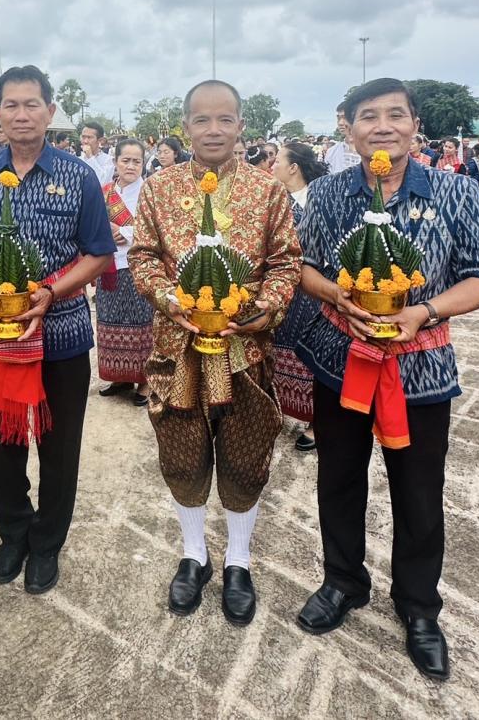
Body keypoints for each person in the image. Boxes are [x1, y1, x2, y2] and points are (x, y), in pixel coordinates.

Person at [294, 77, 479, 682]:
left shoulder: (455, 191)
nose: (382, 126)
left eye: (395, 114)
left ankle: (419, 607)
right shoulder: (328, 193)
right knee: (339, 477)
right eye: (368, 116)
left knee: (419, 489)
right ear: (349, 130)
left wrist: (425, 311)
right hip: (341, 361)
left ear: (415, 125)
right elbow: (304, 266)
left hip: (420, 368)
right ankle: (343, 581)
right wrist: (337, 296)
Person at [129, 79, 301, 624]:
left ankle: (238, 560)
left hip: (245, 350)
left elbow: (286, 262)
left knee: (245, 456)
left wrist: (263, 308)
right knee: (182, 453)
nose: (213, 130)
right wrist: (167, 298)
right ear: (185, 128)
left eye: (224, 119)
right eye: (201, 120)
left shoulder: (267, 190)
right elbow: (142, 256)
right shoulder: (159, 189)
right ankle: (194, 554)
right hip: (177, 345)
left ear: (241, 127)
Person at [0, 65, 115, 596]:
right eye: (11, 105)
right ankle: (14, 532)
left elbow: (99, 253)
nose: (22, 115)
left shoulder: (78, 175)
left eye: (32, 104)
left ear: (50, 110)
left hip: (61, 331)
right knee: (0, 438)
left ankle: (47, 542)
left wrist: (50, 292)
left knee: (58, 444)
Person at [270, 142, 328, 451]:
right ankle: (278, 408)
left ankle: (316, 421)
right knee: (277, 349)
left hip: (311, 289)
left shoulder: (320, 198)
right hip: (280, 289)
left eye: (277, 161)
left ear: (293, 167)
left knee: (309, 352)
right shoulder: (274, 199)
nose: (272, 166)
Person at [96, 138, 153, 406]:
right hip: (109, 267)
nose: (131, 166)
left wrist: (126, 231)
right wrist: (105, 230)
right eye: (125, 160)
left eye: (136, 161)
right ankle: (120, 376)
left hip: (139, 268)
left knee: (142, 326)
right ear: (116, 161)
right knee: (111, 322)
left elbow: (160, 228)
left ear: (143, 163)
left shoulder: (150, 192)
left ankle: (145, 382)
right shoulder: (105, 192)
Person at [325, 103, 361, 174]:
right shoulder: (332, 152)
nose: (340, 123)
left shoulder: (373, 151)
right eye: (338, 118)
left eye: (345, 117)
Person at [80, 120, 115, 186]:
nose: (85, 141)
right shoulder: (78, 159)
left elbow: (102, 183)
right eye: (83, 137)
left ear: (100, 140)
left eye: (89, 137)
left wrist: (90, 157)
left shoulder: (109, 160)